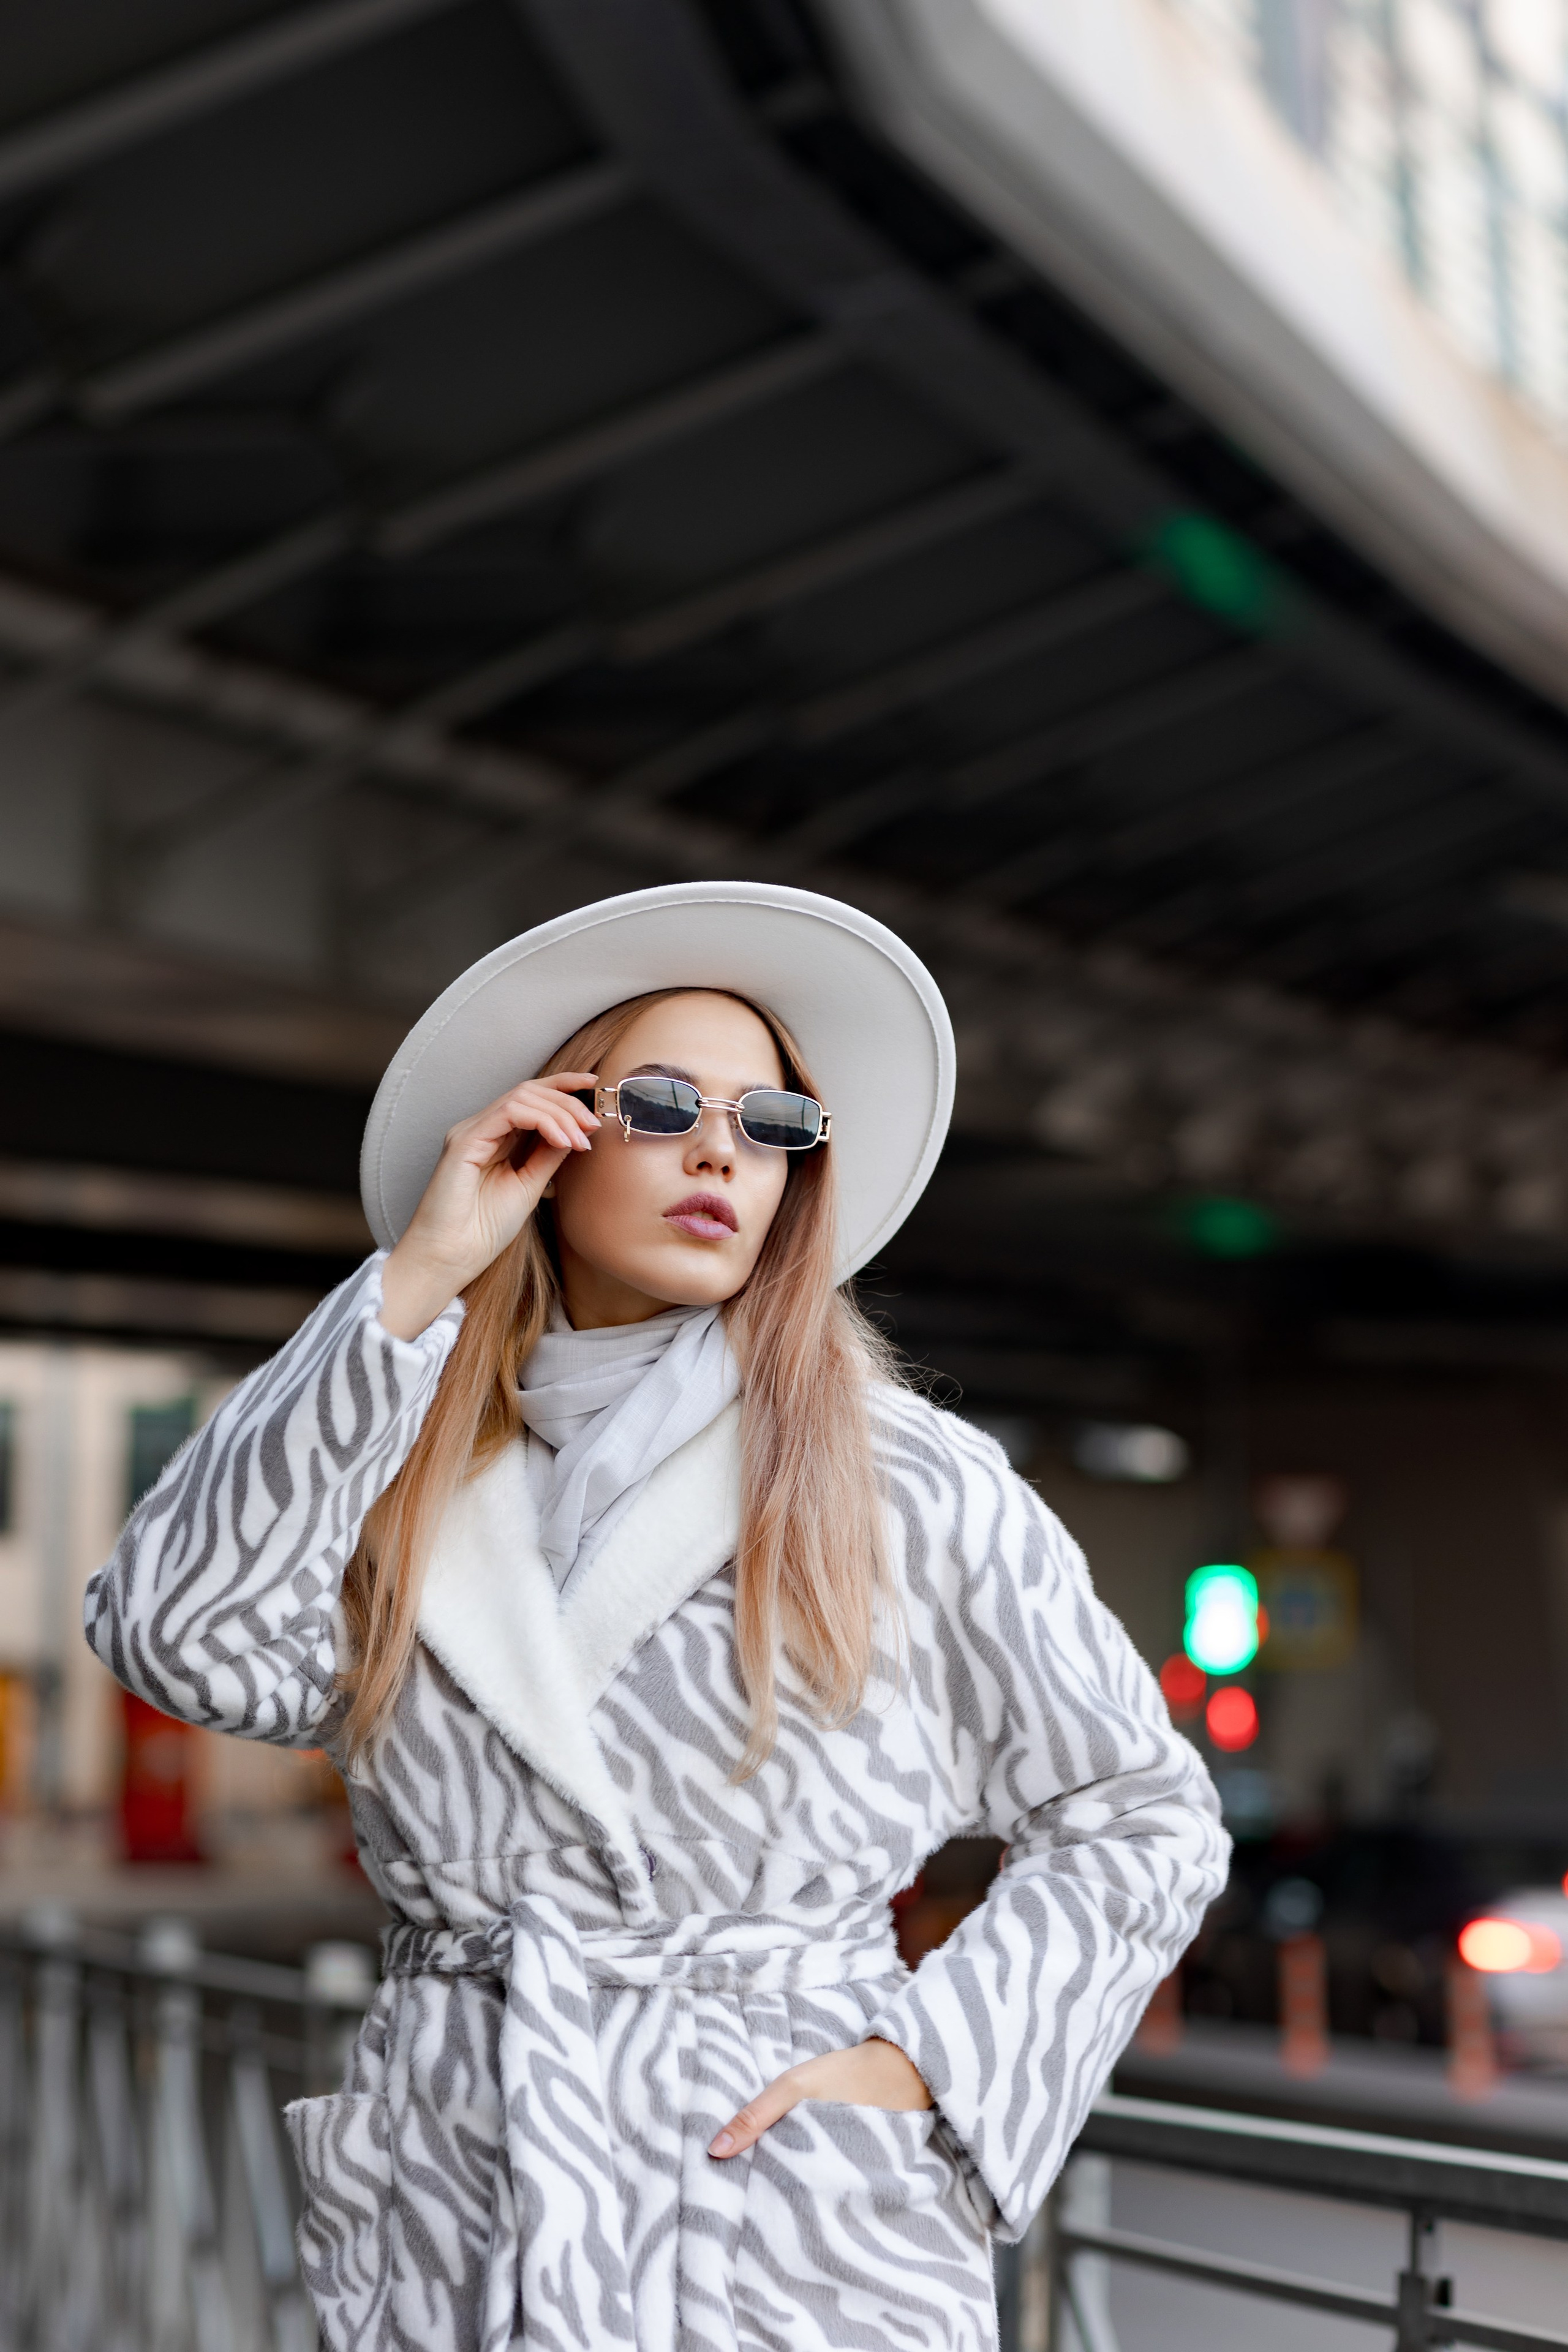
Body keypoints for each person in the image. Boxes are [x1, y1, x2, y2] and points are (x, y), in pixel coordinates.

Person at [86, 880, 1228, 2352]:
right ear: (542, 1138)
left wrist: (925, 2067)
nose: (719, 1150)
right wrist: (419, 1274)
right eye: (666, 1102)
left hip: (785, 2208)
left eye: (773, 1127)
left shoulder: (900, 1475)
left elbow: (1139, 1812)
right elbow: (174, 1636)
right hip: (464, 2181)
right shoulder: (400, 1465)